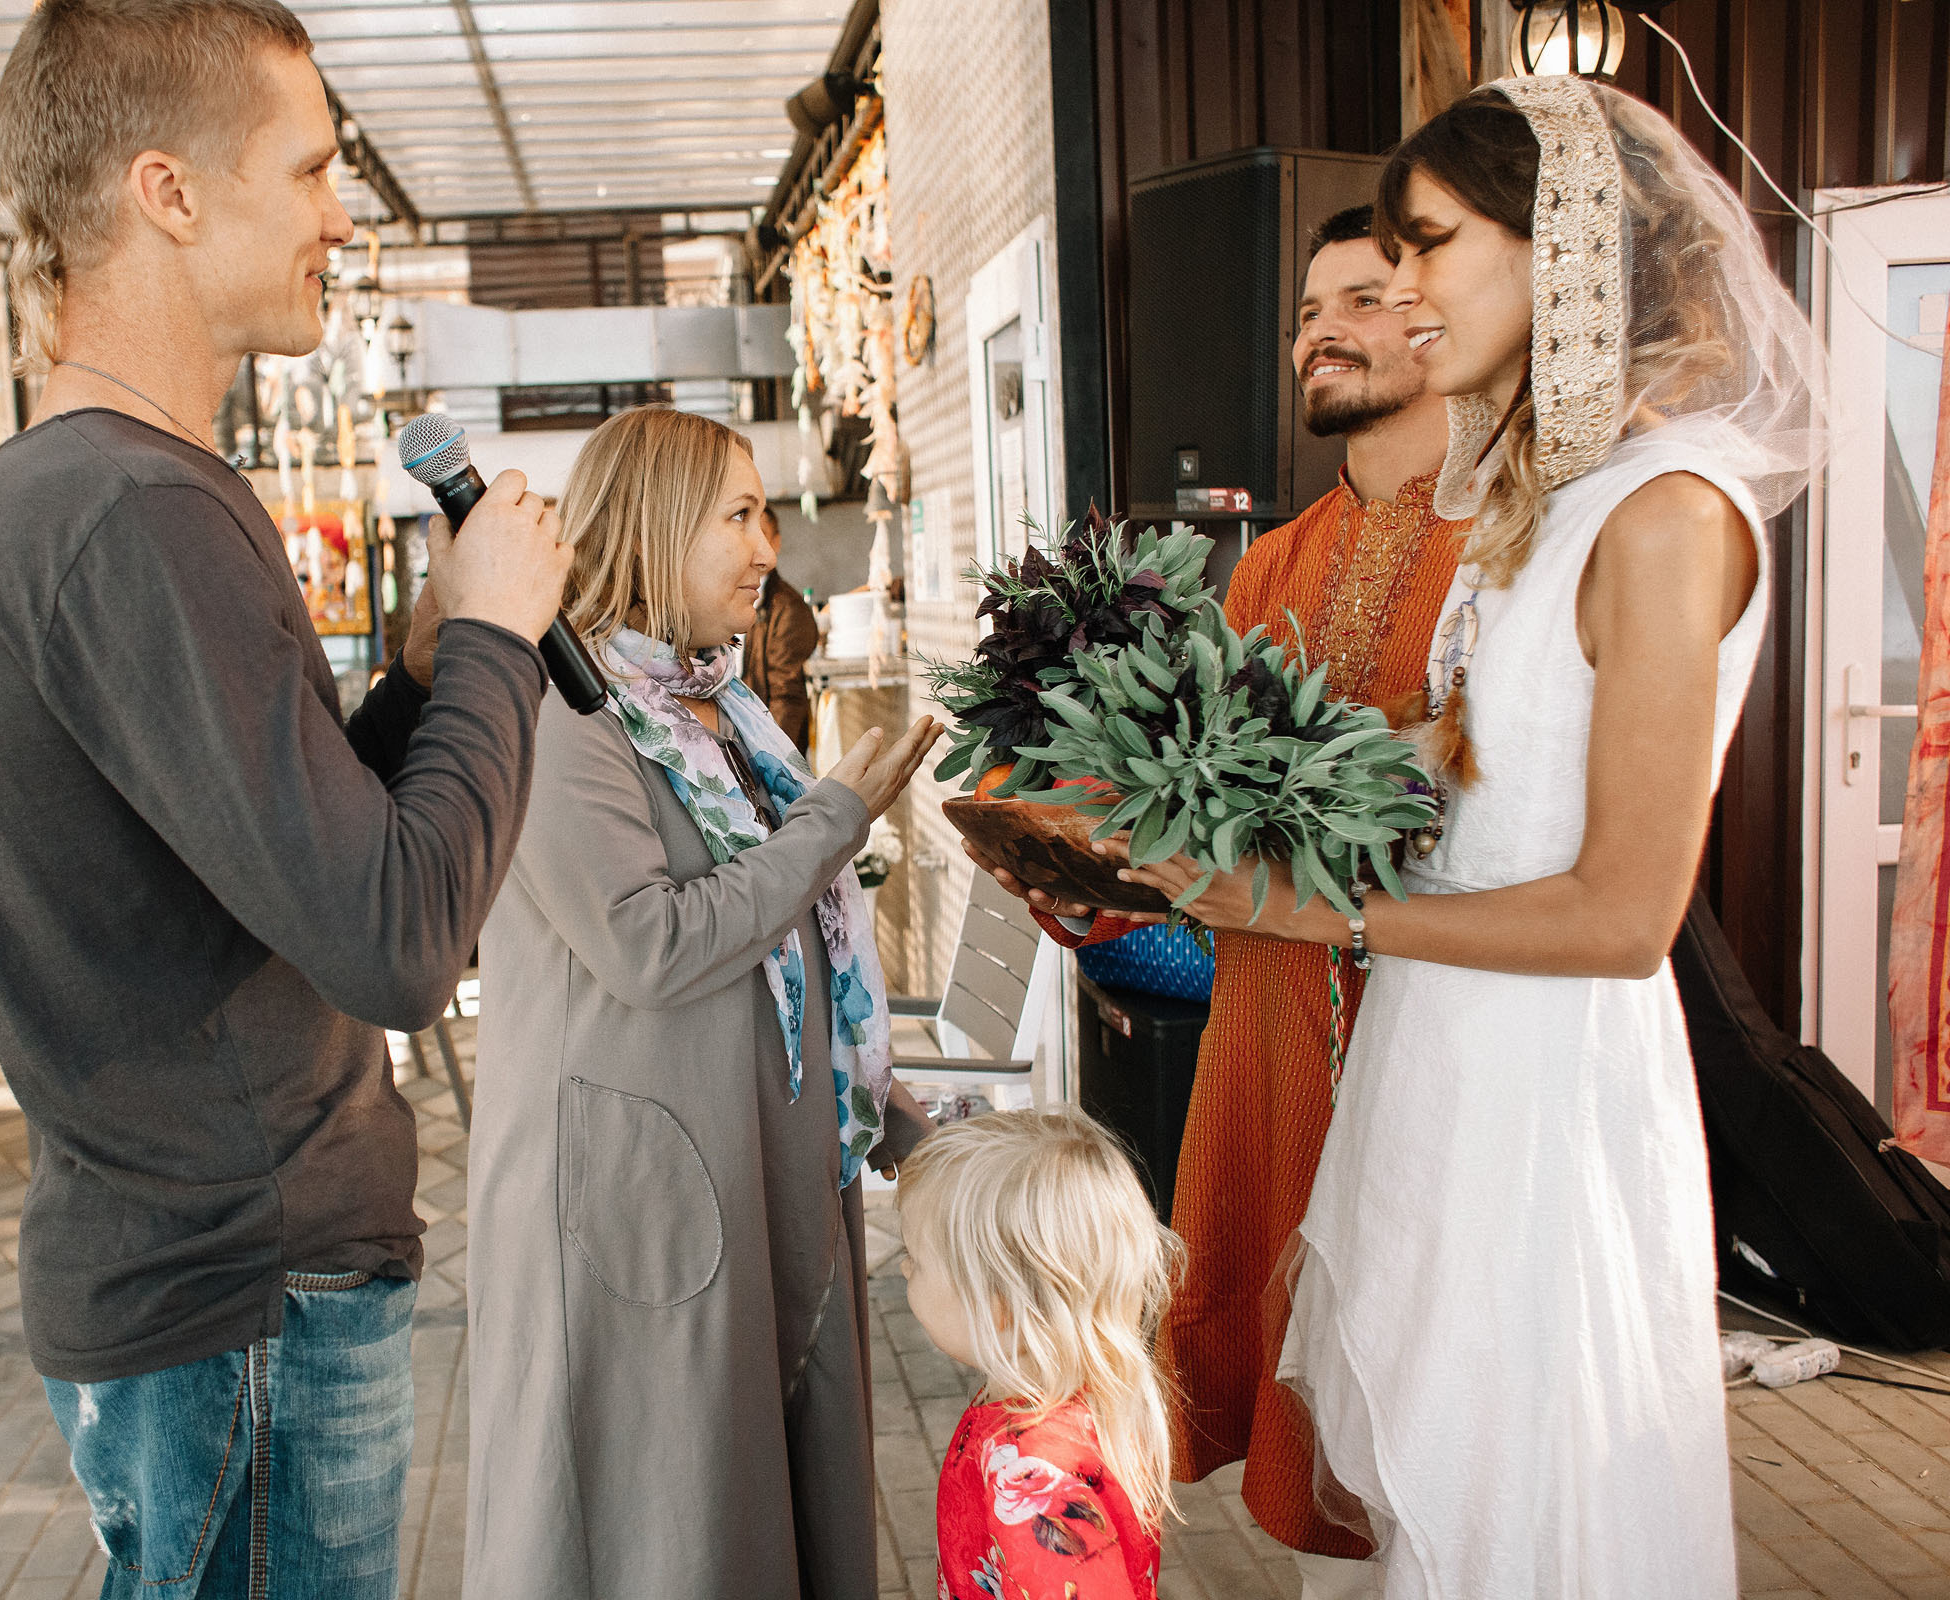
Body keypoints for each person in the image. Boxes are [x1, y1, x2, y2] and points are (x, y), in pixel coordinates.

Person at [0, 1, 570, 1594]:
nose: (344, 216)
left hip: (198, 1299)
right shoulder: (136, 511)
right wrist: (498, 641)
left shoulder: (70, 499)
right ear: (170, 192)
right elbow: (399, 940)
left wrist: (422, 677)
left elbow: (279, 865)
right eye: (313, 168)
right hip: (245, 1302)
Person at [1124, 79, 1825, 1597]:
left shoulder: (1668, 514)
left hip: (1541, 1083)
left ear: (1559, 244)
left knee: (1516, 1509)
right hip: (1433, 1056)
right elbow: (1474, 774)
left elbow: (1624, 919)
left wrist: (1315, 915)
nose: (1408, 289)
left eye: (1427, 244)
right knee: (1408, 1518)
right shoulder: (1547, 505)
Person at [971, 204, 1464, 1600]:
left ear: (1445, 317)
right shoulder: (1273, 564)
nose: (1321, 332)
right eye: (1308, 310)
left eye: (1362, 300)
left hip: (1431, 1033)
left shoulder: (1506, 544)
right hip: (1269, 1037)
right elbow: (1207, 833)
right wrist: (1088, 882)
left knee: (1431, 1420)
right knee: (1317, 1452)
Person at [465, 406, 940, 1600]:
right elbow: (653, 945)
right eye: (738, 514)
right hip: (638, 1208)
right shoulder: (561, 713)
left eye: (764, 514)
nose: (767, 547)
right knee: (660, 1529)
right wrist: (834, 822)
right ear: (656, 521)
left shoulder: (716, 706)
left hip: (749, 1170)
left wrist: (890, 1116)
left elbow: (788, 952)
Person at [897, 1108, 1180, 1600]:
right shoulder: (1069, 1397)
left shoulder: (1036, 1471)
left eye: (916, 1260)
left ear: (999, 1309)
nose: (903, 1269)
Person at [742, 505, 822, 750]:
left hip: (762, 746)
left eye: (762, 534)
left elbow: (787, 698)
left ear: (775, 543)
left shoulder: (789, 609)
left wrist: (773, 759)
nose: (754, 544)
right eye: (745, 533)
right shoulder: (725, 598)